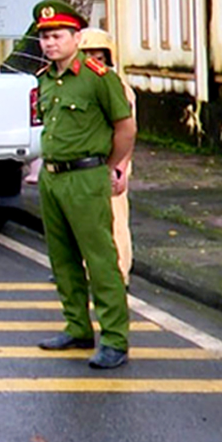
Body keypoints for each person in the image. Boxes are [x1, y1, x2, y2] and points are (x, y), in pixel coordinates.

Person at [32, 0, 135, 370]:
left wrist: (113, 165)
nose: (49, 43)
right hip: (53, 176)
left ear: (76, 37)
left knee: (100, 258)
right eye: (44, 37)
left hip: (86, 175)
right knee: (62, 257)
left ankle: (114, 338)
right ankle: (77, 326)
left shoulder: (98, 77)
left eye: (57, 35)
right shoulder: (45, 79)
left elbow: (125, 127)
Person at [80, 28, 136, 288]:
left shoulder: (117, 87)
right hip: (83, 163)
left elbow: (126, 131)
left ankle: (120, 272)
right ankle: (89, 271)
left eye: (98, 56)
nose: (92, 60)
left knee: (115, 220)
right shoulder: (78, 85)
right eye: (86, 55)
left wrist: (120, 167)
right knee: (87, 221)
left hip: (110, 161)